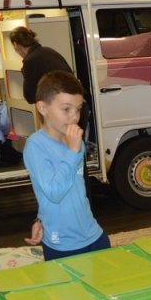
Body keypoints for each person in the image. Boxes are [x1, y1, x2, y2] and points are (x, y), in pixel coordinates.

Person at [22, 70, 109, 260]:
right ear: (43, 108)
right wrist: (71, 151)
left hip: (93, 233)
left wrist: (40, 218)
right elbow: (54, 192)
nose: (74, 117)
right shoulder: (36, 146)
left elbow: (74, 190)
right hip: (63, 244)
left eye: (78, 109)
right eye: (66, 109)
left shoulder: (74, 141)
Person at [9, 26, 74, 105]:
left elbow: (30, 97)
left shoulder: (30, 61)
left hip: (63, 105)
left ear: (16, 45)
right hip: (75, 100)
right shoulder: (48, 50)